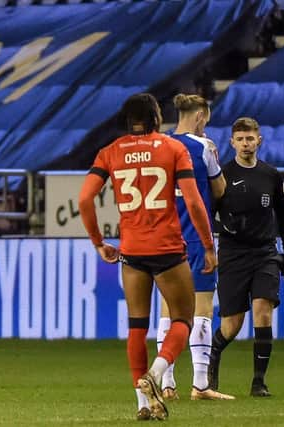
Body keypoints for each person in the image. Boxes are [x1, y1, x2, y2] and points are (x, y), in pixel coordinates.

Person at [78, 93, 217, 421]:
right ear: (157, 117)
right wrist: (208, 246)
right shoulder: (173, 148)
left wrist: (99, 242)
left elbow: (85, 199)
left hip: (132, 251)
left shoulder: (110, 152)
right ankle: (155, 373)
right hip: (167, 248)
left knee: (137, 326)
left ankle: (143, 405)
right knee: (183, 318)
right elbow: (195, 203)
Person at [207, 117, 284, 397]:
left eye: (250, 138)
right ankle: (212, 357)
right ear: (232, 142)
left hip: (265, 253)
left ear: (260, 141)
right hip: (233, 254)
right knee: (232, 325)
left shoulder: (271, 174)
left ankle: (259, 382)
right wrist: (222, 228)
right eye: (241, 139)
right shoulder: (222, 175)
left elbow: (283, 214)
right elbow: (207, 214)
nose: (246, 143)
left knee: (263, 311)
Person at [156, 94, 233, 401]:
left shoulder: (160, 144)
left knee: (167, 312)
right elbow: (220, 189)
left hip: (163, 240)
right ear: (201, 116)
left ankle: (167, 384)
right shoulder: (204, 147)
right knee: (201, 310)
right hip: (195, 239)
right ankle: (201, 384)